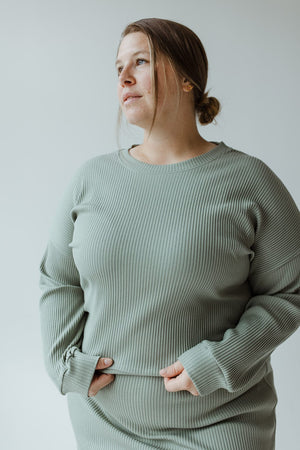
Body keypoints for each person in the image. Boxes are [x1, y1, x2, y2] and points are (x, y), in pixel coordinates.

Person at [39, 17, 300, 450]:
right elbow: (58, 277)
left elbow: (289, 290)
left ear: (186, 79)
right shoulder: (91, 179)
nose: (124, 77)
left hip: (223, 425)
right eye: (118, 67)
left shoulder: (249, 181)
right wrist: (63, 364)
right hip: (104, 424)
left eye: (140, 61)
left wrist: (221, 359)